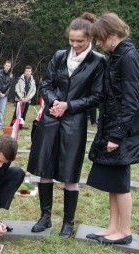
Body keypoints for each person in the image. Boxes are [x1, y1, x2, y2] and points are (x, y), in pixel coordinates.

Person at [27, 13, 105, 237]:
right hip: (51, 119)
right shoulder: (59, 56)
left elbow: (97, 96)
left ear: (89, 38)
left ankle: (68, 222)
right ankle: (45, 217)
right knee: (44, 169)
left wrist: (68, 105)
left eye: (79, 41)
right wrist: (54, 103)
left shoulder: (98, 62)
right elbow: (46, 84)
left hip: (74, 122)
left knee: (70, 173)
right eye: (71, 40)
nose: (74, 44)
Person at [86, 13, 139, 246]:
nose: (99, 44)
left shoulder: (129, 58)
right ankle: (112, 227)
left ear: (112, 35)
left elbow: (131, 101)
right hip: (112, 126)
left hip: (124, 130)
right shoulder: (117, 55)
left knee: (121, 183)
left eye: (100, 39)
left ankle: (125, 231)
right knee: (112, 181)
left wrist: (116, 135)